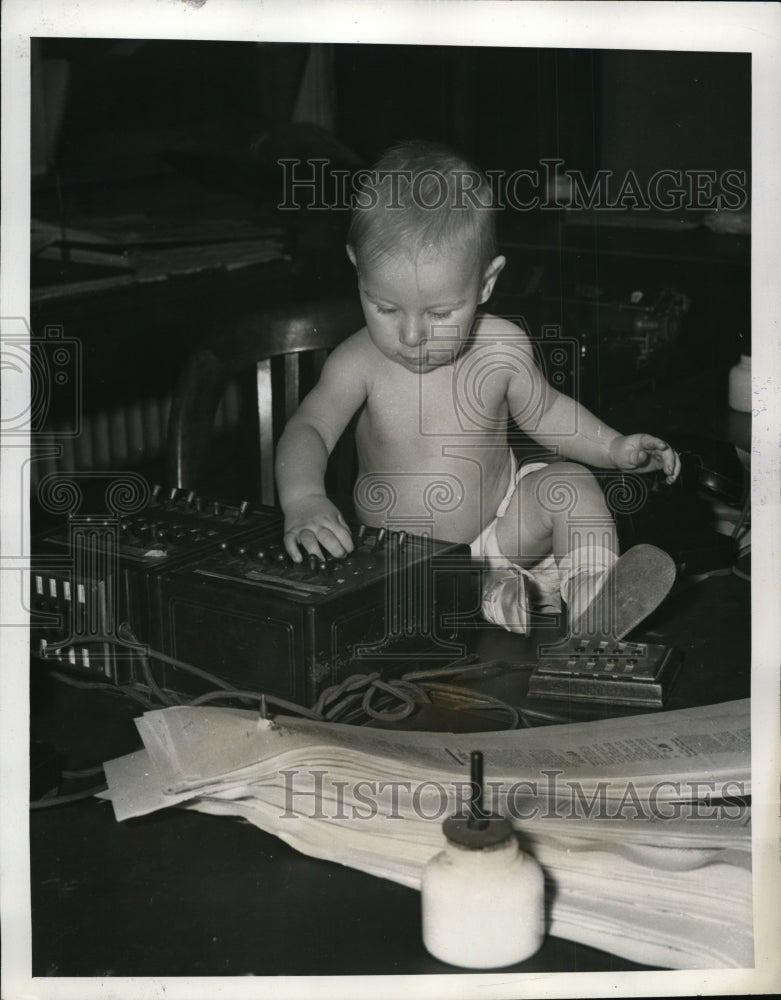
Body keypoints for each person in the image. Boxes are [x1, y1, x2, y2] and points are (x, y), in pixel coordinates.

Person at [275, 141, 680, 636]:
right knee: (450, 588)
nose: (410, 336)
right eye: (384, 307)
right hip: (402, 560)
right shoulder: (359, 362)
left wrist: (614, 446)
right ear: (356, 268)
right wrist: (303, 498)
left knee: (568, 483)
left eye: (441, 313)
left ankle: (592, 587)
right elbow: (309, 427)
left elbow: (549, 412)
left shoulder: (503, 347)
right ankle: (503, 592)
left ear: (486, 284)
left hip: (502, 527)